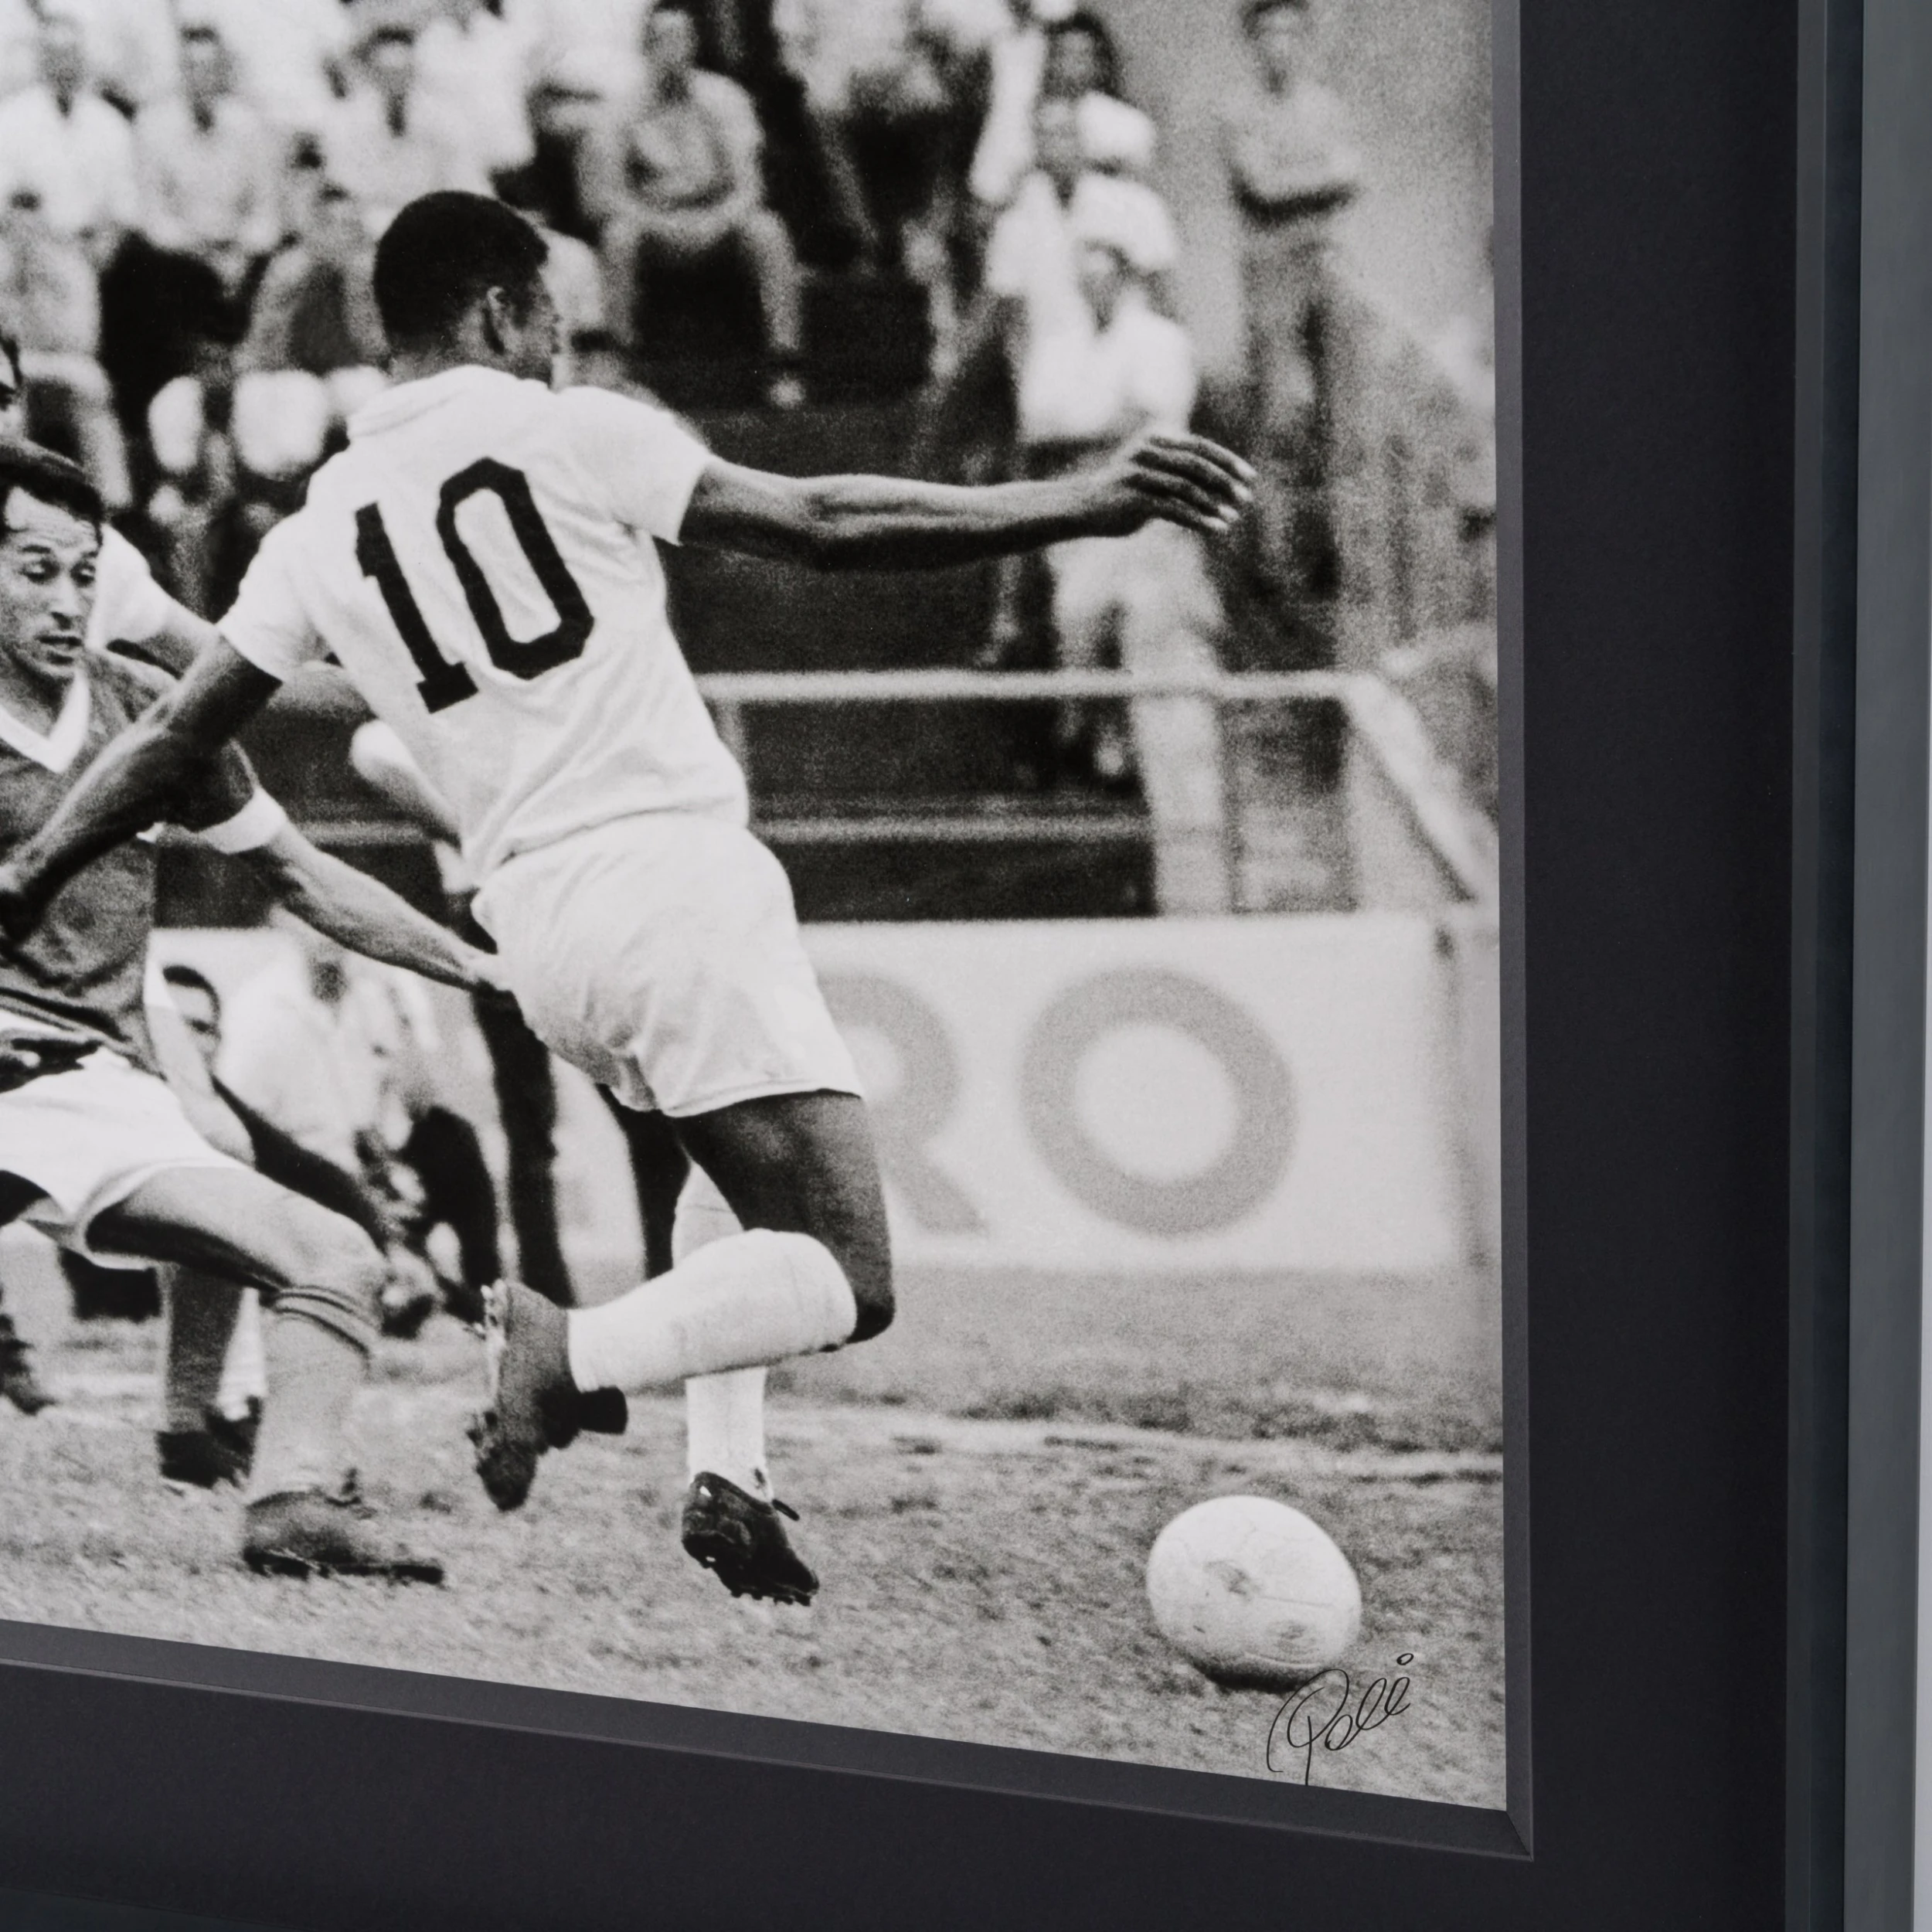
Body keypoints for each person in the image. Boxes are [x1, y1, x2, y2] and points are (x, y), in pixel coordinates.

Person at [0, 189, 1252, 1606]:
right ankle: (570, 1355)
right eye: (550, 313)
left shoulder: (317, 527)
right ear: (500, 310)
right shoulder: (569, 430)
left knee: (728, 1180)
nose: (559, 339)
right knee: (850, 1274)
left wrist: (31, 871)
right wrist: (1079, 500)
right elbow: (825, 521)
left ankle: (731, 1475)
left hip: (537, 930)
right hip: (669, 877)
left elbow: (177, 734)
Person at [0, 437, 509, 1580]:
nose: (68, 600)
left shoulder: (149, 712)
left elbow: (302, 875)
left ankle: (289, 1502)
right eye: (35, 571)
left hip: (90, 1087)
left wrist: (476, 965)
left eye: (83, 573)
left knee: (337, 1254)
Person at [1017, 211, 1230, 908]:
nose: (1093, 284)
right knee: (1077, 617)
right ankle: (1095, 742)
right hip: (1078, 517)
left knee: (1139, 635)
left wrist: (1084, 439)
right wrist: (1095, 440)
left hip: (1151, 520)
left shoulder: (1162, 340)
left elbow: (1145, 432)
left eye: (1105, 270)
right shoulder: (1058, 345)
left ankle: (1121, 763)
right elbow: (1038, 432)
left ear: (1128, 274)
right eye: (1083, 273)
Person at [580, 2, 807, 409]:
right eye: (662, 39)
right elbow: (602, 197)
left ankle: (784, 365)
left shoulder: (726, 96)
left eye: (682, 38)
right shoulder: (618, 107)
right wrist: (659, 223)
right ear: (645, 47)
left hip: (719, 219)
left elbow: (750, 186)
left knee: (768, 231)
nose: (674, 50)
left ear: (695, 43)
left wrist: (715, 221)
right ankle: (619, 359)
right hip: (652, 221)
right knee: (617, 237)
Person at [322, 16, 495, 236]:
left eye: (403, 71)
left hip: (438, 223)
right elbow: (345, 190)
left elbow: (468, 181)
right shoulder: (345, 122)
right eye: (386, 72)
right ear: (371, 73)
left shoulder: (444, 118)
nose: (396, 82)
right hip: (371, 226)